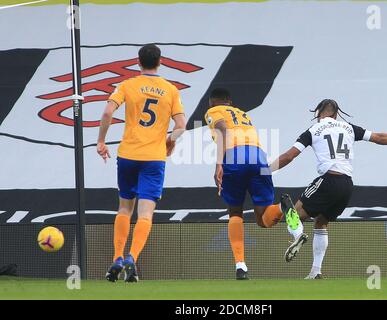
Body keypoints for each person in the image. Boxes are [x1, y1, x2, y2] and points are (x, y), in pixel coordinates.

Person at [270, 99, 387, 279]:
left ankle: (298, 235)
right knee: (321, 222)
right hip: (346, 185)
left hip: (328, 180)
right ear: (336, 114)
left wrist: (265, 170)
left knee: (292, 213)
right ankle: (316, 271)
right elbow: (380, 138)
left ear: (319, 114)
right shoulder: (349, 128)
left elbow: (289, 156)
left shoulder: (313, 130)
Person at [97, 44, 186, 282]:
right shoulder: (170, 90)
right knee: (145, 214)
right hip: (153, 159)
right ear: (160, 61)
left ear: (138, 62)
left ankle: (117, 256)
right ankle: (132, 258)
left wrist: (101, 141)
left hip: (128, 155)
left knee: (124, 208)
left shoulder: (127, 85)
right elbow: (181, 126)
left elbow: (107, 113)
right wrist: (170, 140)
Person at [205, 88, 300, 280]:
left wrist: (218, 164)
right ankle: (282, 206)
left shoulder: (214, 111)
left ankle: (240, 266)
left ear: (211, 103)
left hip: (234, 156)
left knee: (235, 211)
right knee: (264, 220)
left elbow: (223, 129)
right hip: (258, 156)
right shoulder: (242, 113)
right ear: (230, 101)